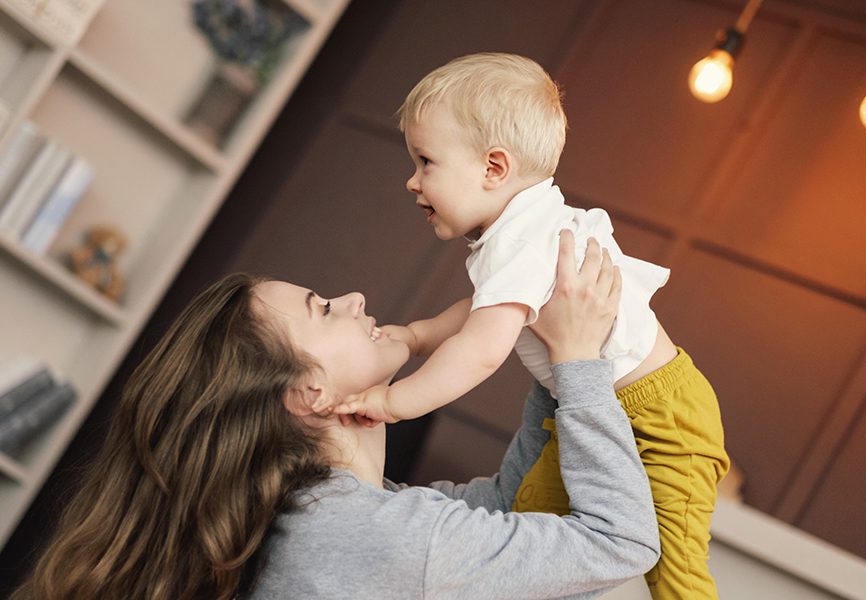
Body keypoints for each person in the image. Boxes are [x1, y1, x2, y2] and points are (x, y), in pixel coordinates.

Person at [13, 232, 659, 600]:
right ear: (309, 394)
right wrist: (577, 361)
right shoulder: (376, 536)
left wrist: (555, 369)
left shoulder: (340, 520)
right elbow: (621, 543)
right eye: (323, 309)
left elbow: (504, 510)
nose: (353, 300)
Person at [318, 53, 730, 599]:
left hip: (663, 416)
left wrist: (396, 403)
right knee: (531, 515)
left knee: (675, 574)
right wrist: (418, 336)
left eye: (426, 161)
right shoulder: (522, 230)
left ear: (493, 168)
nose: (412, 181)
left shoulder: (523, 238)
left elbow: (483, 350)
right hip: (601, 405)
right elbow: (485, 310)